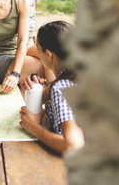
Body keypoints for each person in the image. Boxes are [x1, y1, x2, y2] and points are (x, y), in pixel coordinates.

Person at [19, 21, 85, 154]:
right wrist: (39, 91)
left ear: (48, 54)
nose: (36, 52)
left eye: (38, 48)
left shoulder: (62, 87)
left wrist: (33, 127)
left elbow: (73, 146)